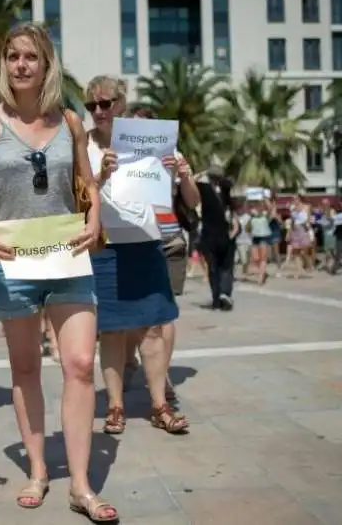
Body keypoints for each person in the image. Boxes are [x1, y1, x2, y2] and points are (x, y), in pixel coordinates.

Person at [0, 23, 118, 522]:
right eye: (12, 56)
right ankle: (39, 471)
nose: (20, 65)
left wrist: (94, 221)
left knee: (80, 365)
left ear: (47, 65)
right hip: (12, 263)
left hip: (68, 256)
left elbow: (86, 184)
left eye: (30, 57)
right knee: (25, 368)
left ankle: (82, 485)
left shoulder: (69, 121)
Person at [85, 78, 195, 438]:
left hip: (146, 242)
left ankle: (159, 404)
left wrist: (182, 174)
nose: (99, 111)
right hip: (105, 246)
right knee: (112, 331)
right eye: (92, 106)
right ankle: (115, 406)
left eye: (106, 103)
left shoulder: (150, 141)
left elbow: (191, 201)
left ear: (121, 103)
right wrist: (99, 177)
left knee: (152, 327)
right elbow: (75, 202)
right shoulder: (81, 147)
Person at [196, 165, 236, 310]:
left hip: (215, 235)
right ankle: (221, 295)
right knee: (222, 267)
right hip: (219, 234)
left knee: (217, 268)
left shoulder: (208, 188)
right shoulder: (214, 189)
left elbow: (191, 180)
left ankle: (220, 296)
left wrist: (203, 172)